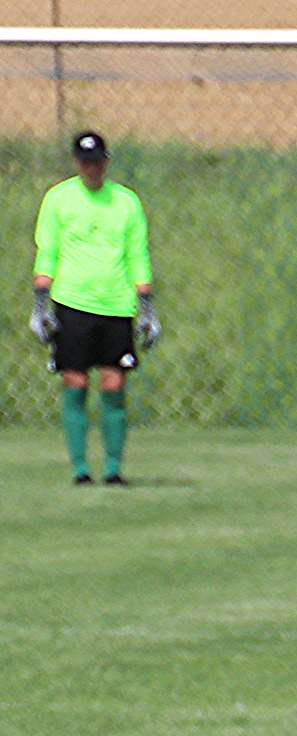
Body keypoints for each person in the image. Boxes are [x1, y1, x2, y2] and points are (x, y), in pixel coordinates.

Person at [31, 131, 157, 488]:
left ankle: (114, 469)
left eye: (97, 162)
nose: (92, 169)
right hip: (72, 302)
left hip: (116, 304)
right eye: (86, 162)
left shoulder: (126, 202)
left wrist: (146, 306)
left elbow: (137, 254)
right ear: (77, 162)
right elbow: (48, 250)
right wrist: (41, 302)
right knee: (76, 380)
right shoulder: (59, 199)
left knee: (114, 382)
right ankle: (81, 469)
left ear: (106, 161)